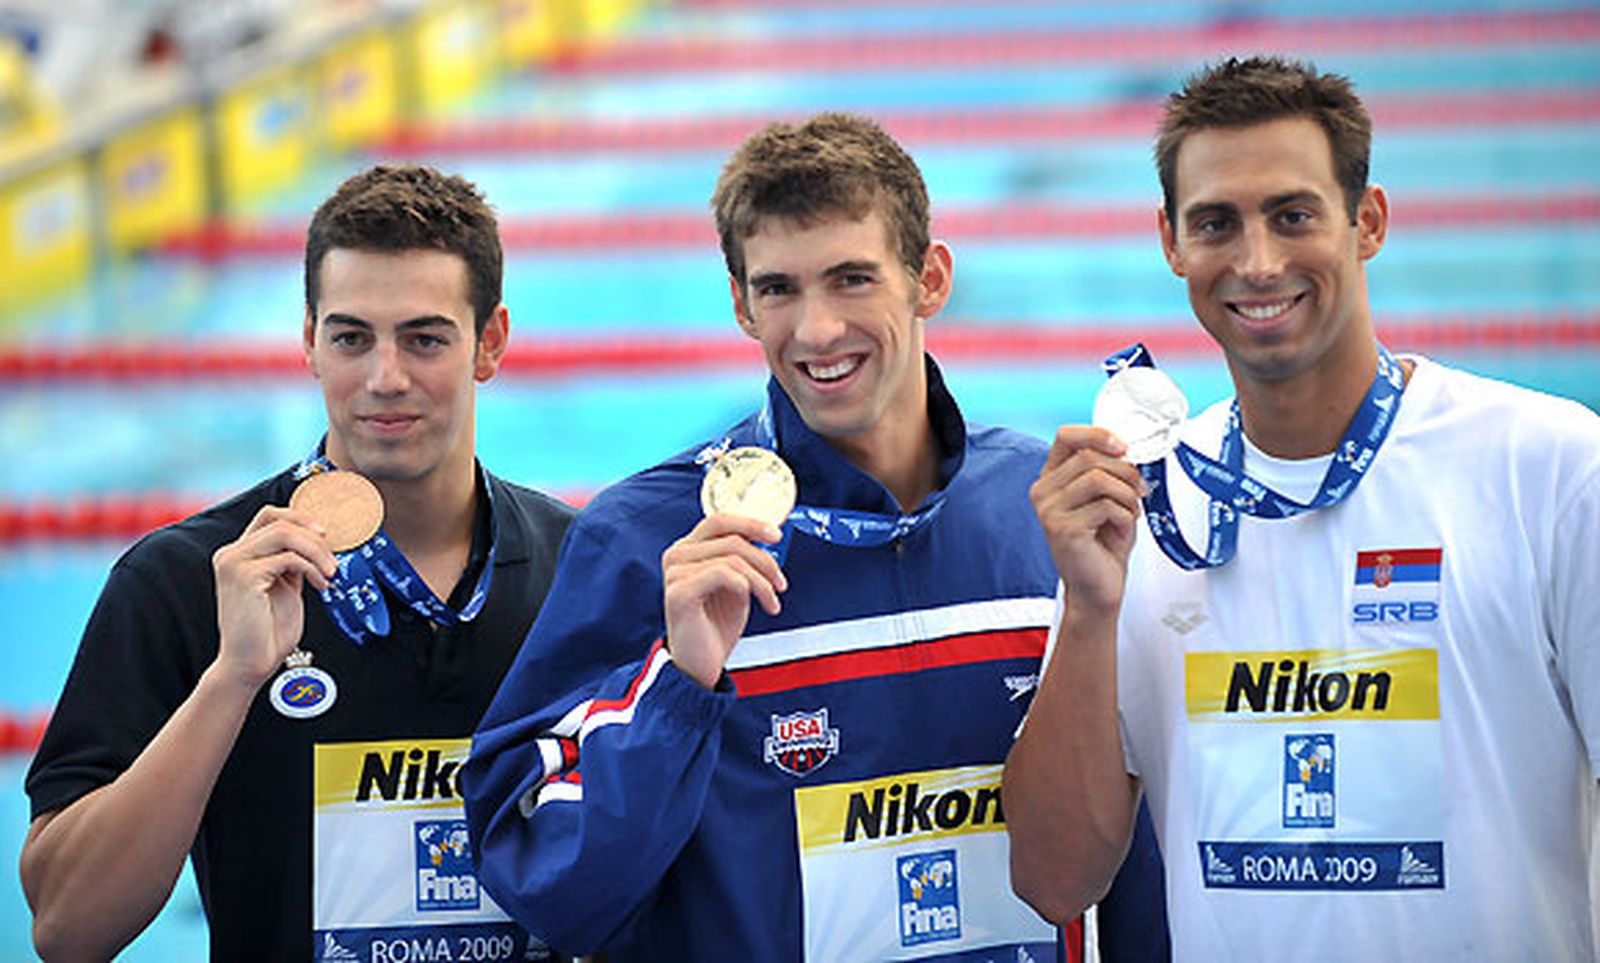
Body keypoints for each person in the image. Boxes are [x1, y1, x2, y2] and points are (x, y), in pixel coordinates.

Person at [461, 112, 1168, 961]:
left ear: (930, 279)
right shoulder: (649, 540)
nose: (818, 329)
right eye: (779, 290)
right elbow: (550, 889)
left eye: (852, 279)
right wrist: (676, 684)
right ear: (741, 304)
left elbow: (1141, 856)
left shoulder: (1047, 517)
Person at [1006, 55, 1600, 960]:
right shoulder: (1143, 504)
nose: (1257, 262)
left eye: (1293, 215)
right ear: (1171, 242)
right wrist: (1089, 611)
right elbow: (1055, 880)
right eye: (1217, 223)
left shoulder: (1549, 467)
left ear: (1369, 222)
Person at [21, 165, 576, 962]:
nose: (385, 378)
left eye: (424, 338)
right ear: (309, 339)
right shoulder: (183, 581)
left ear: (489, 342)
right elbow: (68, 929)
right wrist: (231, 679)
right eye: (352, 338)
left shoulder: (578, 571)